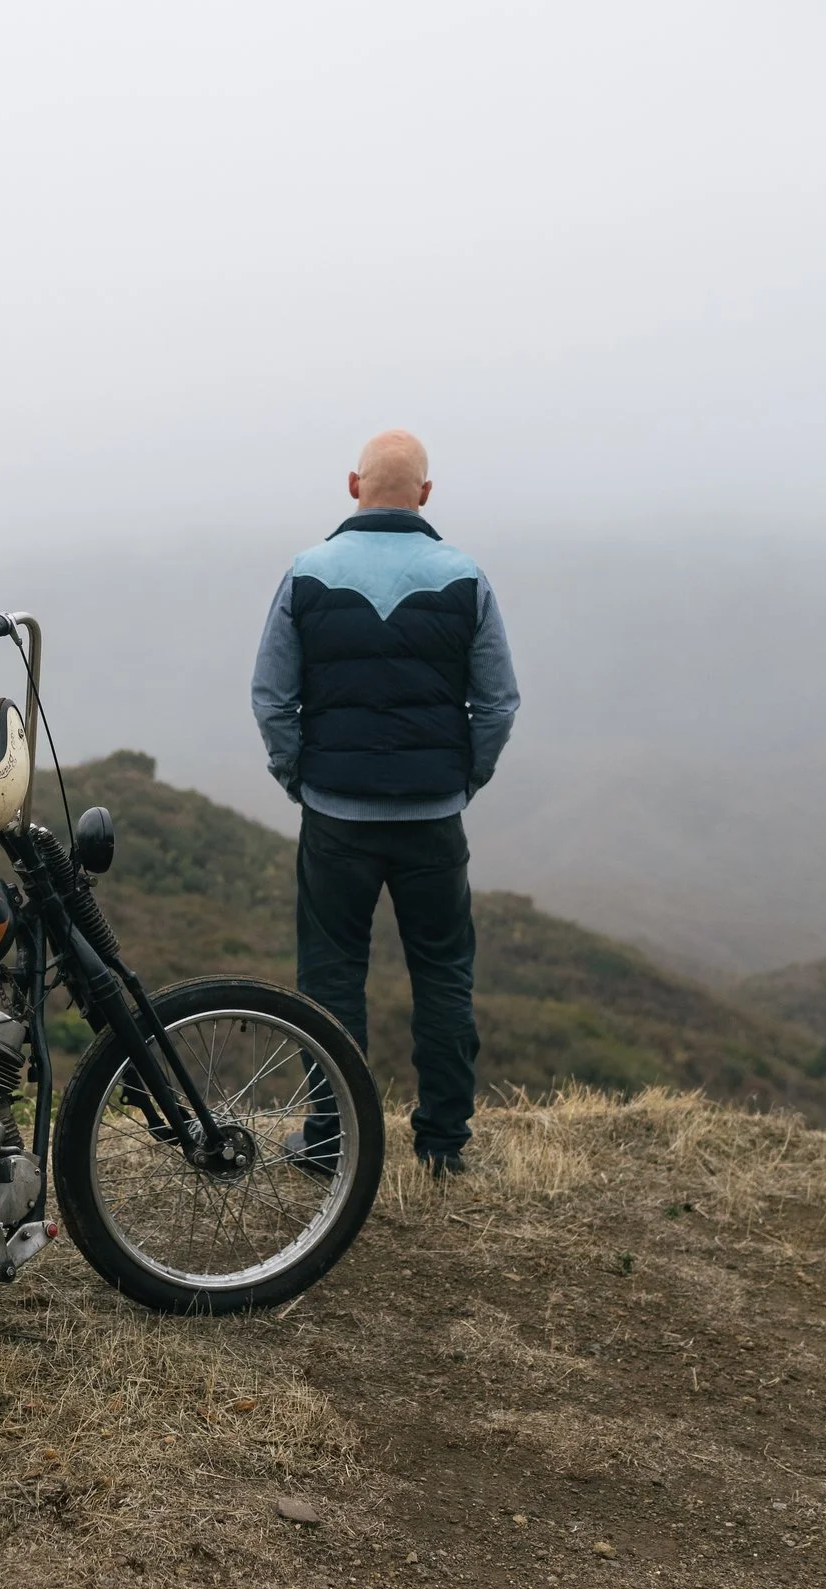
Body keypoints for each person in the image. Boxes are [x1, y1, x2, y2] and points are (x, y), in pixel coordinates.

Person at [250, 430, 519, 1176]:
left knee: (331, 977)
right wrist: (463, 780)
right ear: (425, 494)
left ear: (351, 485)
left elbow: (271, 698)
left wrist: (300, 779)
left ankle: (331, 1142)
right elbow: (498, 703)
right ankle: (442, 1145)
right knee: (443, 974)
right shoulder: (465, 578)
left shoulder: (307, 574)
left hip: (336, 818)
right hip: (434, 818)